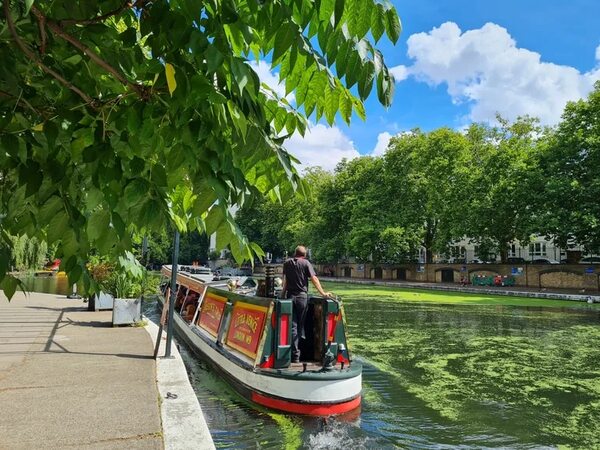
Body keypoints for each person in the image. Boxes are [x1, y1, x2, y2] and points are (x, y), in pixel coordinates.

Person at [281, 245, 332, 363]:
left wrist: (282, 295)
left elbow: (286, 281)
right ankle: (299, 353)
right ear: (304, 255)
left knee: (292, 326)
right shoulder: (305, 263)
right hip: (301, 297)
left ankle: (294, 355)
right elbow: (314, 279)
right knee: (300, 325)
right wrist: (323, 293)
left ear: (295, 253)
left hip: (290, 297)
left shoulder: (287, 263)